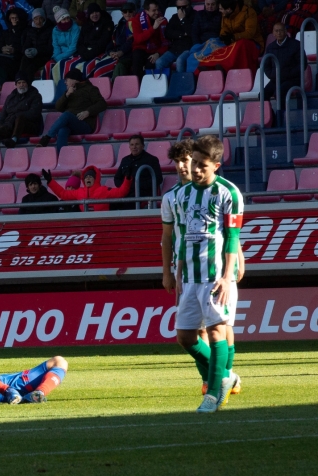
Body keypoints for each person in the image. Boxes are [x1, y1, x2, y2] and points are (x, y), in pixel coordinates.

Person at [161, 139, 243, 397]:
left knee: (222, 327)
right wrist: (170, 270)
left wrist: (238, 259)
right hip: (188, 268)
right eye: (183, 162)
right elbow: (170, 236)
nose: (187, 167)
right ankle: (217, 378)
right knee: (194, 330)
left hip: (217, 267)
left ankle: (220, 379)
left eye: (191, 161)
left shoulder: (224, 192)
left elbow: (231, 234)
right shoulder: (174, 197)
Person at [37, 69, 106, 152]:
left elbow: (102, 104)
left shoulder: (90, 89)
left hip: (85, 124)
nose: (65, 83)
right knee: (62, 130)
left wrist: (88, 112)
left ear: (74, 80)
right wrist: (67, 95)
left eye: (67, 80)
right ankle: (62, 157)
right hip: (71, 124)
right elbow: (58, 107)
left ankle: (47, 137)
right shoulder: (69, 91)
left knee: (67, 115)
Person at [0, 71, 43, 149]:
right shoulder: (10, 97)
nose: (21, 85)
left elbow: (34, 114)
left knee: (20, 117)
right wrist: (1, 128)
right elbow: (2, 116)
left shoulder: (35, 96)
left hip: (29, 125)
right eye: (19, 83)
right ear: (16, 84)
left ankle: (13, 140)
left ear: (28, 83)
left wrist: (16, 116)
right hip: (9, 125)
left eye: (23, 82)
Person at [43, 165, 132, 211]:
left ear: (96, 179)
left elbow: (121, 192)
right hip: (85, 223)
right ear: (83, 180)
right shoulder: (79, 192)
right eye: (86, 177)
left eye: (90, 177)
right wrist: (50, 181)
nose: (88, 178)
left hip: (103, 222)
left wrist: (127, 178)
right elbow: (63, 194)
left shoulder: (104, 190)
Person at [64, 3, 114, 78]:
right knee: (64, 64)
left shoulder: (107, 23)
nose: (95, 14)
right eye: (92, 13)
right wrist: (84, 53)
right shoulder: (86, 25)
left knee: (87, 67)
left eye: (96, 12)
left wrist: (89, 54)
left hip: (99, 52)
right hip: (85, 53)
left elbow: (103, 43)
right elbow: (80, 42)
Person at [114, 135, 163, 208]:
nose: (134, 147)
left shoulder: (151, 159)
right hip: (127, 192)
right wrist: (125, 187)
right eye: (132, 145)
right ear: (129, 147)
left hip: (143, 194)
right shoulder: (125, 160)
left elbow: (158, 179)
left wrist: (138, 185)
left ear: (143, 146)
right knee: (112, 204)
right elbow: (117, 178)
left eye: (137, 144)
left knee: (128, 204)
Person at [264, 22, 304, 109]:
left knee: (280, 92)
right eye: (276, 31)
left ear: (286, 31)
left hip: (292, 80)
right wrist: (272, 75)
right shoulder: (270, 47)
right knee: (263, 95)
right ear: (273, 33)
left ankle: (283, 118)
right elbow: (266, 66)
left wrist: (289, 74)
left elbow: (303, 64)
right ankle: (271, 119)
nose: (279, 33)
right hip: (276, 79)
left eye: (281, 30)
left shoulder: (296, 45)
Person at [129, 0, 168, 79]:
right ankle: (137, 86)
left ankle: (150, 87)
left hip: (155, 50)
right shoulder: (136, 20)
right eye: (153, 10)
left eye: (157, 9)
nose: (157, 12)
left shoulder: (163, 20)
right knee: (137, 59)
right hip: (141, 48)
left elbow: (166, 42)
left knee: (150, 64)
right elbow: (138, 39)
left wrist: (158, 53)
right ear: (146, 11)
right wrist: (153, 28)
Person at [154, 0, 194, 72]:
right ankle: (165, 83)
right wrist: (182, 34)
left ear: (189, 5)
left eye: (184, 7)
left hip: (189, 48)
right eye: (179, 7)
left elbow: (191, 32)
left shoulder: (196, 15)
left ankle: (181, 82)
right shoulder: (174, 17)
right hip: (175, 49)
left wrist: (182, 19)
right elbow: (167, 33)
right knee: (159, 62)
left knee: (180, 61)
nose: (181, 9)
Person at [41, 7, 80, 81]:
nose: (67, 21)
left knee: (64, 65)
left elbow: (73, 47)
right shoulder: (55, 30)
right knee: (48, 65)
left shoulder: (75, 28)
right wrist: (56, 57)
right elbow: (56, 46)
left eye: (68, 18)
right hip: (59, 55)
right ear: (59, 21)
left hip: (73, 54)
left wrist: (59, 58)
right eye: (64, 19)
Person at [184, 0, 221, 74]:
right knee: (191, 58)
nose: (210, 6)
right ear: (205, 4)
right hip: (201, 44)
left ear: (217, 5)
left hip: (215, 42)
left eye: (213, 4)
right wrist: (197, 45)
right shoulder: (199, 15)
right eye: (208, 4)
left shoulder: (221, 15)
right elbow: (195, 32)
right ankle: (193, 78)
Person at [0, 9, 28, 84]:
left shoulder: (26, 31)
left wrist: (14, 50)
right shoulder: (6, 32)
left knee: (1, 61)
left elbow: (26, 46)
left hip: (19, 58)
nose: (14, 20)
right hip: (5, 56)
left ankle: (5, 85)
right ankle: (5, 85)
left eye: (16, 18)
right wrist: (2, 49)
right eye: (12, 18)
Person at [20, 8, 54, 77]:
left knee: (31, 67)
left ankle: (28, 83)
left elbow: (50, 48)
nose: (38, 22)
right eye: (35, 19)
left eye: (40, 18)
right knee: (24, 60)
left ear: (44, 18)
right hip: (32, 55)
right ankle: (20, 80)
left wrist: (37, 51)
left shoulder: (50, 29)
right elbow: (25, 45)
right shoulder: (30, 30)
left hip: (44, 56)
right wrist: (26, 51)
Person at [105, 2, 134, 79]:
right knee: (98, 65)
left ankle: (115, 88)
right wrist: (110, 52)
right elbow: (113, 39)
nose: (127, 14)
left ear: (134, 11)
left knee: (119, 66)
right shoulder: (120, 24)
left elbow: (132, 41)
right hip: (117, 53)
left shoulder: (135, 23)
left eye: (130, 11)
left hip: (128, 54)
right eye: (125, 12)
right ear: (122, 13)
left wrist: (121, 52)